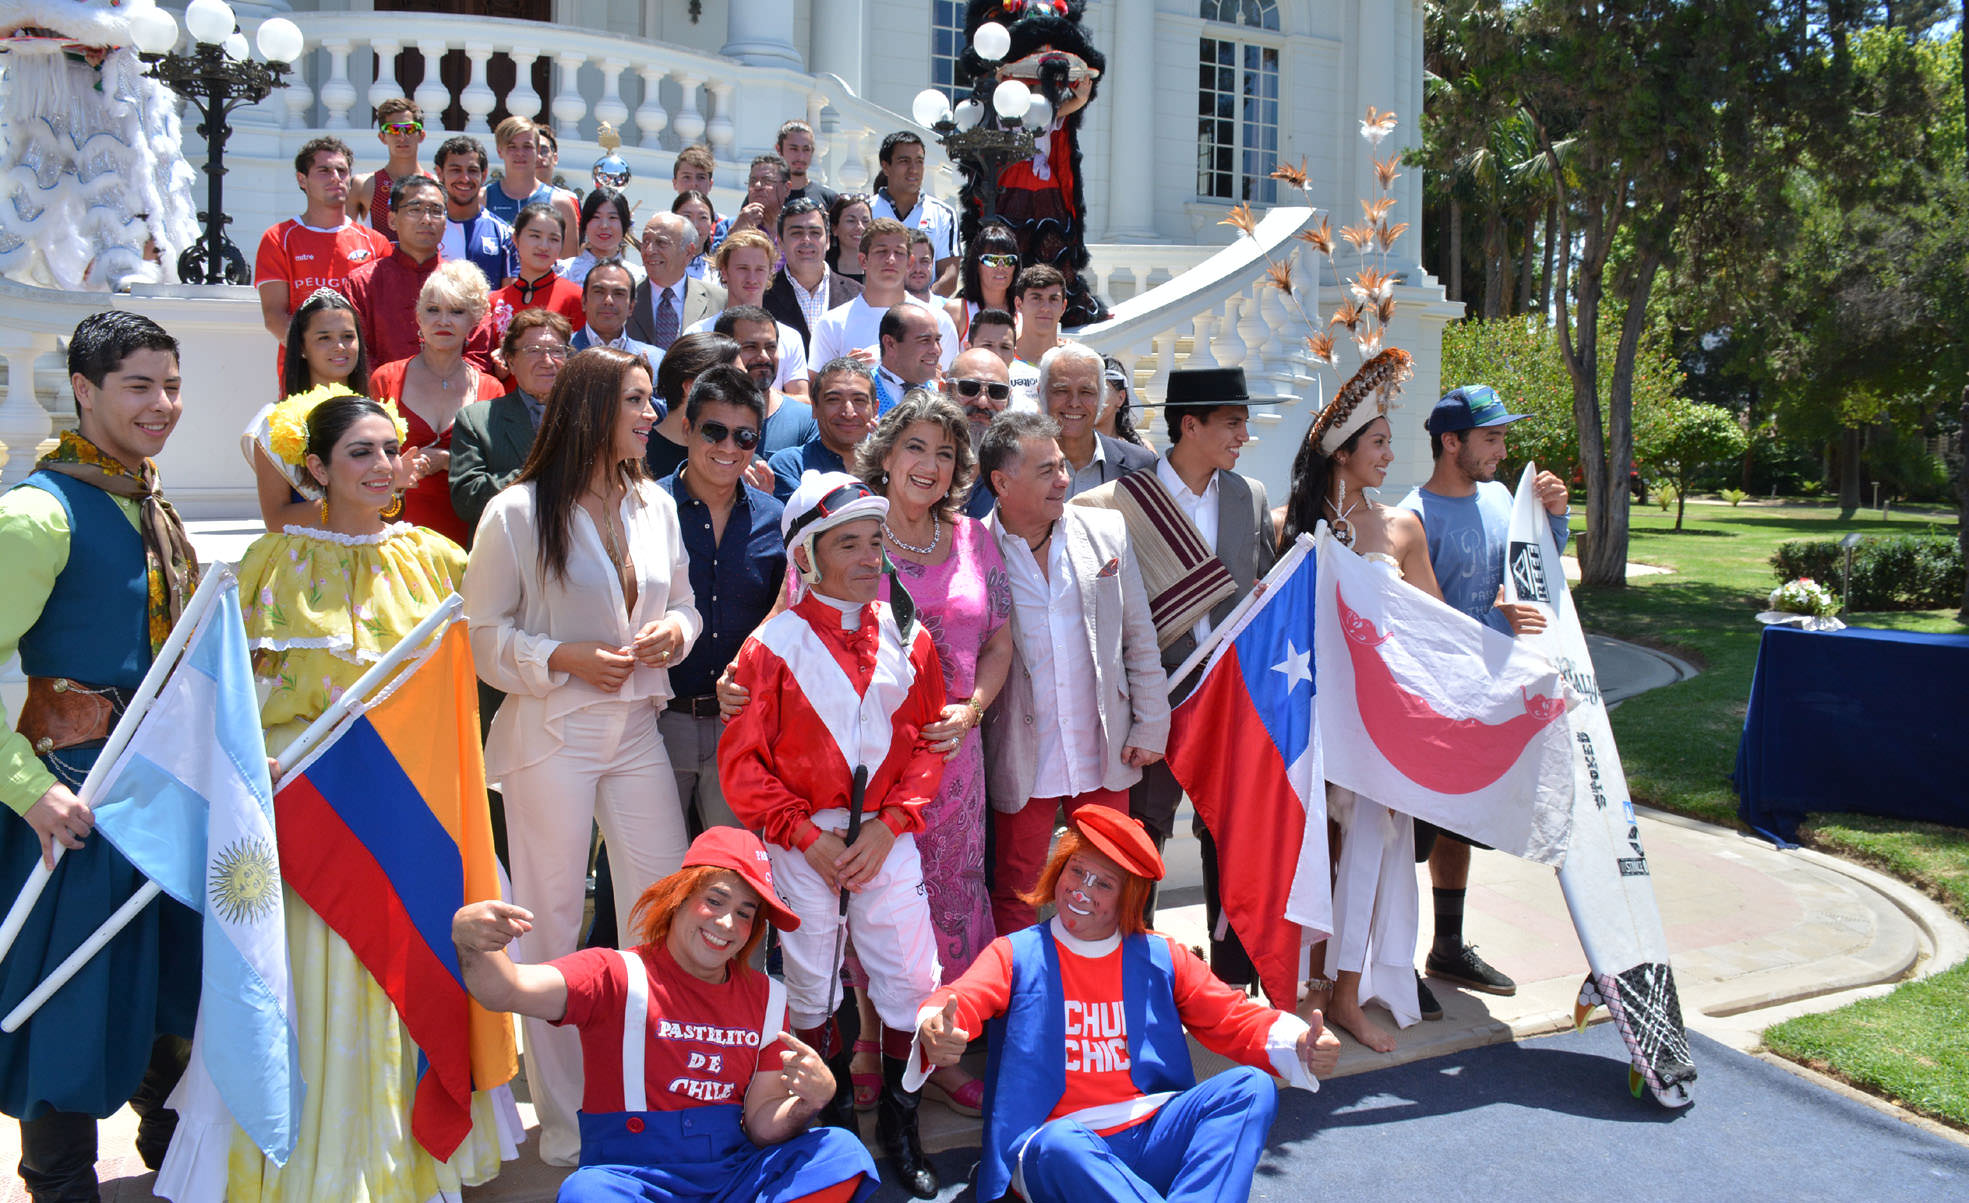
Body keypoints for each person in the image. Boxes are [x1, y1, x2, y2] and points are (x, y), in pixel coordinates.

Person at [228, 391, 517, 1200]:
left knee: (408, 966)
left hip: (408, 807)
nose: (384, 465)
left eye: (391, 449)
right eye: (361, 451)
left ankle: (403, 1155)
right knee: (317, 974)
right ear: (315, 468)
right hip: (308, 809)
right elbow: (223, 690)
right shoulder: (267, 562)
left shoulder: (436, 558)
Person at [463, 346, 701, 1166]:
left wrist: (675, 633)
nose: (651, 414)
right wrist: (560, 657)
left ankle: (653, 1090)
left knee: (660, 910)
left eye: (650, 399)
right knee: (552, 921)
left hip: (634, 728)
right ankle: (568, 1122)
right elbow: (482, 638)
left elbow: (686, 604)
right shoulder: (516, 511)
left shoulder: (654, 502)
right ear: (592, 408)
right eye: (636, 400)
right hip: (550, 735)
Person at [0, 312, 200, 1203]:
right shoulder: (37, 512)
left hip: (163, 785)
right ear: (83, 390)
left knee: (169, 981)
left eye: (172, 384)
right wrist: (27, 789)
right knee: (66, 1003)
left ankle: (173, 1160)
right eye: (139, 385)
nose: (163, 404)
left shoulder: (149, 500)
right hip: (74, 794)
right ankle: (60, 1187)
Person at [909, 805, 1340, 1203]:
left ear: (1128, 898)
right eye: (1076, 871)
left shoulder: (1162, 956)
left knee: (1251, 1089)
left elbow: (1231, 1017)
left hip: (1151, 1132)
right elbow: (964, 998)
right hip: (1063, 1149)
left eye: (1104, 884)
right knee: (1060, 1144)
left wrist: (1300, 1042)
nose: (1082, 890)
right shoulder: (1016, 954)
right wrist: (938, 1025)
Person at [717, 470, 948, 1199]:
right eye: (847, 543)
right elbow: (743, 765)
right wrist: (804, 837)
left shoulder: (911, 638)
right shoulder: (768, 647)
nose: (869, 556)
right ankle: (834, 1116)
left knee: (911, 981)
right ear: (807, 556)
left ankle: (901, 1127)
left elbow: (927, 747)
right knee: (810, 987)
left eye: (875, 540)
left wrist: (890, 825)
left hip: (886, 835)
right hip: (801, 844)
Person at [450, 827, 876, 1202]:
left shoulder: (768, 998)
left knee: (841, 1153)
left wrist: (808, 1102)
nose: (727, 923)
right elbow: (507, 989)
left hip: (733, 1175)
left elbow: (763, 1125)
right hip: (631, 1177)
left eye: (745, 914)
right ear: (679, 897)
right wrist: (472, 942)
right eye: (715, 901)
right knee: (586, 1194)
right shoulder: (612, 973)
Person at [1072, 367, 1275, 947]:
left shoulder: (1249, 496)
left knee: (1230, 837)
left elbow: (1262, 592)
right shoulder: (1115, 503)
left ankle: (1231, 976)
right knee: (1141, 837)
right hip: (1152, 701)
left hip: (1227, 702)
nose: (1243, 436)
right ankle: (1135, 965)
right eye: (1232, 423)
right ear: (1190, 425)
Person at [1277, 346, 1439, 1052]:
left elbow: (1435, 626)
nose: (1389, 455)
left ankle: (1346, 993)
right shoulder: (1285, 523)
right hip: (1306, 716)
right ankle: (1304, 988)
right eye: (1378, 442)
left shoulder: (1401, 528)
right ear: (1340, 453)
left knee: (1368, 851)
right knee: (1310, 850)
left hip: (1377, 724)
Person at [1395, 383, 1572, 1016]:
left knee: (1463, 824)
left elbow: (1538, 570)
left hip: (1492, 699)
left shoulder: (1503, 500)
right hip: (1434, 704)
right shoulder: (1412, 516)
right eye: (1490, 438)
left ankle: (1447, 947)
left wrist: (1556, 517)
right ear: (1451, 442)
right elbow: (1421, 621)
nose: (1501, 450)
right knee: (1408, 838)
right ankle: (1395, 963)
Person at [976, 410, 1169, 931]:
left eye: (1062, 465)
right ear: (1002, 482)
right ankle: (1023, 983)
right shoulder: (975, 546)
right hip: (1021, 751)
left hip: (1103, 745)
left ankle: (1105, 977)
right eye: (1047, 470)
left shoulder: (1105, 530)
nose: (1064, 478)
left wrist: (1151, 724)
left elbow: (1138, 635)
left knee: (1111, 878)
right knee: (1018, 886)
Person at [656, 366, 786, 836]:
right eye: (714, 431)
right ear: (687, 429)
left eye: (744, 436)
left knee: (733, 866)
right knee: (648, 868)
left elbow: (786, 618)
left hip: (742, 728)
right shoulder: (646, 509)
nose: (729, 447)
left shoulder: (776, 519)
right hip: (656, 723)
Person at [368, 260, 506, 545]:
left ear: (474, 320)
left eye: (456, 311)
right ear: (419, 318)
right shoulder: (385, 379)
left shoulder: (491, 389)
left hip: (469, 533)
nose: (443, 321)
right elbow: (364, 459)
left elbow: (501, 471)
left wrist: (447, 461)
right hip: (397, 532)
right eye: (433, 310)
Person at [253, 137, 392, 370]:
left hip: (362, 371)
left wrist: (353, 363)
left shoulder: (376, 242)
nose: (336, 177)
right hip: (303, 370)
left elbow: (385, 316)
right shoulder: (278, 238)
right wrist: (323, 359)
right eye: (324, 171)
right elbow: (275, 317)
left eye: (342, 171)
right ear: (302, 179)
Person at [242, 288, 373, 532]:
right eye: (324, 338)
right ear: (301, 347)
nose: (340, 346)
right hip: (304, 552)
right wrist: (347, 503)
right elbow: (276, 520)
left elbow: (390, 511)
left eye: (348, 336)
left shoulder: (375, 414)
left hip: (371, 548)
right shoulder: (274, 421)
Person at [341, 173, 501, 370]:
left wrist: (445, 384)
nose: (426, 219)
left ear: (445, 222)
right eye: (415, 209)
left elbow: (479, 355)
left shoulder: (464, 282)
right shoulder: (361, 283)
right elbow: (355, 352)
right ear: (392, 220)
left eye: (436, 211)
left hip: (455, 388)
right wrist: (392, 383)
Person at [451, 307, 572, 539]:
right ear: (511, 360)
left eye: (557, 351)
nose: (547, 361)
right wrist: (538, 471)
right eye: (533, 351)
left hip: (574, 547)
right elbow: (466, 500)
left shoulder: (588, 417)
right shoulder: (477, 420)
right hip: (507, 547)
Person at [808, 219, 959, 375]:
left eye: (899, 253)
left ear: (909, 262)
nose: (891, 259)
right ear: (863, 260)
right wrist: (842, 372)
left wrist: (932, 380)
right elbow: (814, 386)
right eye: (882, 251)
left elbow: (952, 384)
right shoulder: (832, 324)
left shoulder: (938, 320)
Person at [686, 230, 811, 397]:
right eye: (742, 268)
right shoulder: (697, 334)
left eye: (760, 269)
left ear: (770, 273)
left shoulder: (790, 337)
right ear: (724, 271)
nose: (752, 278)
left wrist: (757, 390)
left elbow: (803, 400)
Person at [1043, 343, 1154, 495]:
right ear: (1041, 393)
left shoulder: (1141, 466)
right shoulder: (1018, 461)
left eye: (1086, 392)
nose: (1074, 403)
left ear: (1101, 398)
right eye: (1062, 390)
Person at [713, 306, 817, 465]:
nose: (764, 357)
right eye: (750, 347)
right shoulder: (702, 417)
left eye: (770, 347)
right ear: (723, 350)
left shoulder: (807, 421)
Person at [766, 358, 878, 499]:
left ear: (875, 409)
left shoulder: (890, 466)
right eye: (834, 400)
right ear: (814, 408)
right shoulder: (791, 466)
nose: (849, 413)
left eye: (859, 400)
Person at [765, 197, 863, 359]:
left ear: (828, 241)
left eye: (815, 233)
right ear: (780, 242)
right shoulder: (763, 295)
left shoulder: (857, 296)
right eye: (796, 233)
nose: (806, 240)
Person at [643, 332, 742, 480]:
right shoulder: (636, 456)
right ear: (691, 386)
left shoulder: (742, 459)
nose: (746, 392)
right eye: (734, 382)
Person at [869, 132, 956, 295]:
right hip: (875, 306)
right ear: (885, 167)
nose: (914, 169)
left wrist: (918, 304)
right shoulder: (866, 211)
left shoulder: (943, 214)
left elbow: (949, 276)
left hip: (924, 309)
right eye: (904, 161)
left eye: (919, 161)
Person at [628, 212, 726, 351]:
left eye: (661, 243)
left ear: (688, 251)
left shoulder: (719, 301)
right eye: (646, 241)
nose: (649, 251)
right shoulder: (626, 297)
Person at [434, 135, 518, 289]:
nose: (465, 178)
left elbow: (509, 296)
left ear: (484, 175)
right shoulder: (428, 229)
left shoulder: (503, 233)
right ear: (440, 173)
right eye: (455, 170)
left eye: (472, 170)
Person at [492, 201, 585, 337]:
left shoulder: (575, 298)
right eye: (535, 236)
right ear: (515, 239)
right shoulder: (494, 301)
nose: (544, 246)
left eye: (554, 239)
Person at [484, 116, 580, 242]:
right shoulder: (482, 199)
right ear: (499, 151)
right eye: (512, 146)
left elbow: (569, 254)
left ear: (537, 150)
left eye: (527, 146)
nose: (520, 153)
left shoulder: (561, 203)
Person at [350, 98, 428, 240]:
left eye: (410, 129)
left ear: (421, 135)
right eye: (393, 129)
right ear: (382, 137)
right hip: (380, 255)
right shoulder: (363, 185)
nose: (402, 136)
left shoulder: (436, 184)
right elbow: (343, 237)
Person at [570, 260, 664, 366]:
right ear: (584, 301)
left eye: (618, 294)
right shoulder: (561, 354)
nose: (608, 301)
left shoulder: (655, 361)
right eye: (599, 292)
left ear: (631, 307)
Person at [943, 221, 1020, 344]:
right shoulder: (956, 312)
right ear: (976, 265)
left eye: (1008, 260)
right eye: (992, 260)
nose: (1001, 267)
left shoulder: (1025, 314)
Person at [558, 187, 645, 288]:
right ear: (585, 224)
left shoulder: (638, 278)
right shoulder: (562, 273)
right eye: (596, 217)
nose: (604, 225)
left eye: (612, 217)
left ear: (624, 225)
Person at [1010, 264, 1070, 407]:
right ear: (1019, 304)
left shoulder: (1076, 359)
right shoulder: (1003, 360)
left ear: (1063, 306)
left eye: (1053, 299)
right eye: (1036, 298)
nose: (1045, 308)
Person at [873, 303, 944, 413]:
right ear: (890, 344)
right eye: (925, 340)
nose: (937, 350)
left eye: (937, 340)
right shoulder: (861, 393)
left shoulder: (942, 396)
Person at [712, 153, 789, 251]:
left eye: (767, 181)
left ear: (787, 188)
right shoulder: (727, 226)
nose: (757, 186)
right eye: (752, 181)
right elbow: (713, 259)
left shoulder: (797, 227)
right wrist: (735, 232)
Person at [778, 119, 839, 211]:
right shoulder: (768, 197)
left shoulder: (829, 199)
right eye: (794, 149)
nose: (800, 157)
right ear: (779, 150)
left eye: (806, 149)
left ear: (812, 151)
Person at [1101, 354, 1150, 448]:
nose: (1094, 399)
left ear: (1121, 398)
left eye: (1102, 391)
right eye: (1087, 392)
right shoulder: (1072, 449)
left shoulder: (1141, 450)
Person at [672, 190, 719, 282]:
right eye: (687, 216)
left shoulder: (721, 273)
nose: (695, 225)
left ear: (712, 223)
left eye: (703, 217)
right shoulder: (657, 265)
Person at [825, 192, 872, 284]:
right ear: (834, 228)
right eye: (851, 221)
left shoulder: (881, 265)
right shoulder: (822, 268)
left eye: (865, 221)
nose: (860, 227)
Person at [904, 231, 937, 303]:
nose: (918, 269)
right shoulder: (885, 308)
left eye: (924, 261)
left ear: (932, 263)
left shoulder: (947, 308)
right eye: (910, 262)